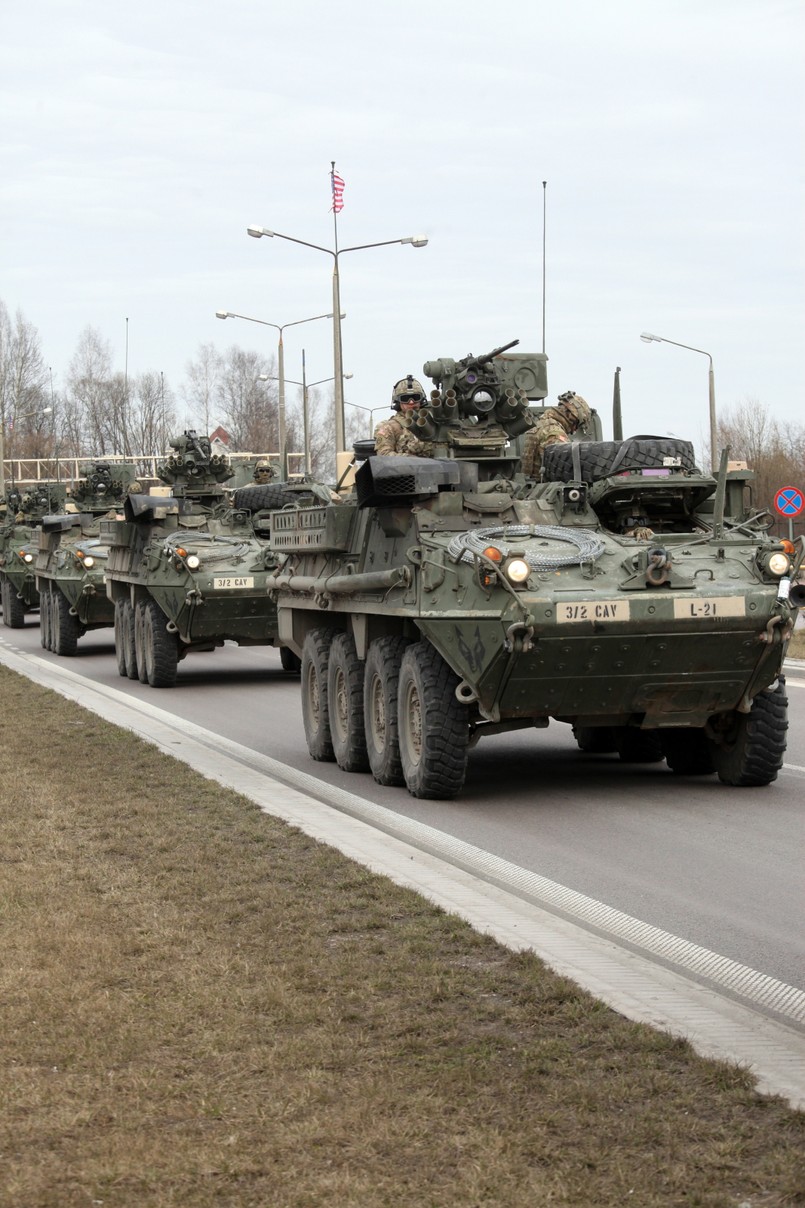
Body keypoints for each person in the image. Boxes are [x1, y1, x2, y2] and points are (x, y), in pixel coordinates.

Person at [521, 391, 592, 479]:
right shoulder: (554, 432)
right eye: (577, 423)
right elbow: (564, 468)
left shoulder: (542, 423)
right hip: (545, 487)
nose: (574, 430)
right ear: (570, 416)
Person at [373, 376, 434, 457]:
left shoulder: (431, 422)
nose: (411, 402)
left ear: (421, 399)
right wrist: (411, 459)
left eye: (416, 397)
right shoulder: (390, 427)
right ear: (398, 401)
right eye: (406, 398)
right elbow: (383, 455)